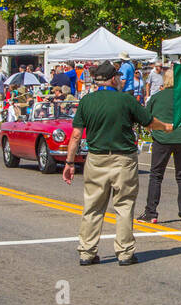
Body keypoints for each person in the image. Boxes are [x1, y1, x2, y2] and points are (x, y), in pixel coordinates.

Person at [62, 60, 169, 266]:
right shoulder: (125, 100)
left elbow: (76, 136)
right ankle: (125, 252)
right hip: (123, 158)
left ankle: (87, 252)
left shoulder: (86, 101)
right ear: (113, 78)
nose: (120, 80)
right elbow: (148, 122)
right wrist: (166, 126)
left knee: (92, 207)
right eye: (118, 76)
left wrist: (69, 162)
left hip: (96, 158)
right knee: (124, 206)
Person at [141, 65, 181, 225]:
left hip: (162, 138)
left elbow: (147, 122)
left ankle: (151, 212)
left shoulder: (156, 98)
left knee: (156, 175)